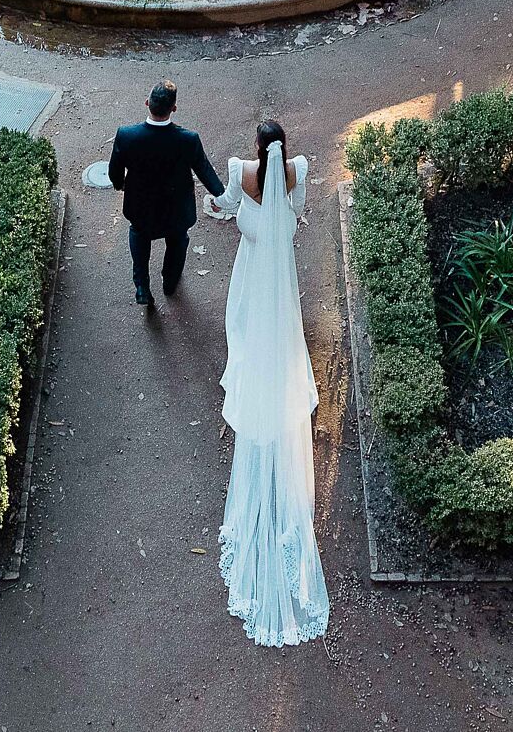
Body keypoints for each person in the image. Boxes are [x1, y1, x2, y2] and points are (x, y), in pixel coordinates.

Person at [205, 120, 329, 647]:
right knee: (283, 334)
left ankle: (255, 371)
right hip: (281, 281)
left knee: (247, 331)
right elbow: (298, 216)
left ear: (258, 148)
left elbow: (227, 206)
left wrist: (213, 206)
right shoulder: (297, 174)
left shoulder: (241, 173)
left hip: (253, 274)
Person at [108, 80, 226, 309]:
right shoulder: (188, 139)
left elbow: (115, 170)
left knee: (139, 236)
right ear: (174, 108)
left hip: (141, 207)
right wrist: (221, 195)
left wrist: (119, 184)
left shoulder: (127, 135)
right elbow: (204, 170)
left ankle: (142, 286)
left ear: (147, 104)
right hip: (176, 209)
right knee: (177, 241)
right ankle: (169, 283)